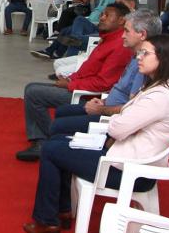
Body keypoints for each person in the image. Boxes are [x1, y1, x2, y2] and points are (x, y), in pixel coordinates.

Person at [22, 33, 169, 233]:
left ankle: (48, 220)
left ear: (163, 59)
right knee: (56, 144)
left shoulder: (159, 96)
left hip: (130, 170)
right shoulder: (159, 88)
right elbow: (124, 120)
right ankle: (60, 212)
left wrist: (114, 121)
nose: (139, 57)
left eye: (145, 53)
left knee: (51, 149)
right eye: (140, 52)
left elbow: (119, 129)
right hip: (127, 157)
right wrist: (117, 120)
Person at [16, 3, 133, 161]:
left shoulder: (119, 45)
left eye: (107, 15)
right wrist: (72, 78)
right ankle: (43, 137)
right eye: (102, 14)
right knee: (32, 87)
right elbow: (89, 70)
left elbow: (104, 83)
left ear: (121, 21)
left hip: (88, 96)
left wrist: (70, 85)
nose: (102, 17)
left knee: (33, 93)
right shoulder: (107, 39)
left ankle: (44, 141)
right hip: (80, 85)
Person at [48, 9, 162, 138]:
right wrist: (104, 101)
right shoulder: (135, 56)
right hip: (106, 106)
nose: (122, 35)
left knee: (57, 127)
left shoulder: (143, 65)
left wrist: (101, 109)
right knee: (62, 112)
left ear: (142, 34)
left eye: (126, 31)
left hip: (112, 119)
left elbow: (132, 109)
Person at [32, 0, 115, 60]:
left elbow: (98, 14)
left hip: (93, 24)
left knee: (76, 22)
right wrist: (91, 0)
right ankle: (53, 52)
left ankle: (56, 51)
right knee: (65, 30)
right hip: (89, 21)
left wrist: (92, 1)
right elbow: (94, 12)